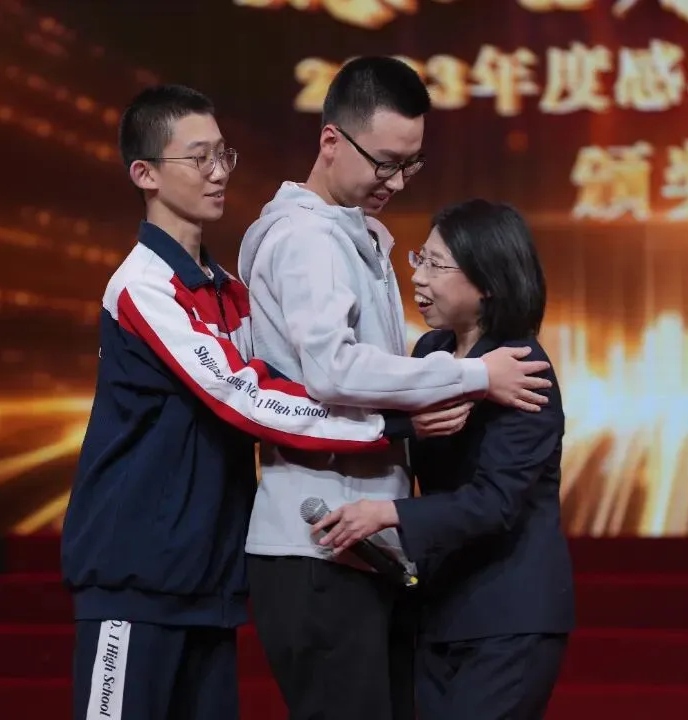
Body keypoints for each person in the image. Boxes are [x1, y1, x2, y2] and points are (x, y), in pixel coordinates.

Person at [61, 84, 426, 720]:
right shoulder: (143, 288)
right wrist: (393, 423)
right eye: (198, 158)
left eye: (222, 154)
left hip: (208, 574)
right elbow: (245, 395)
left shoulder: (229, 289)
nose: (219, 172)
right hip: (134, 575)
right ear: (144, 174)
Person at [237, 58, 554, 720]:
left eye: (411, 165)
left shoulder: (350, 234)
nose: (398, 181)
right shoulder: (309, 239)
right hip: (322, 538)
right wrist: (474, 377)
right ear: (331, 141)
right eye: (385, 163)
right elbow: (333, 370)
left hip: (360, 550)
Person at [313, 200, 577, 720]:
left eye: (437, 265)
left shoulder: (524, 368)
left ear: (489, 282)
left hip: (509, 613)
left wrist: (387, 514)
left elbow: (496, 502)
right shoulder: (432, 351)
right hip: (440, 608)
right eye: (420, 259)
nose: (418, 277)